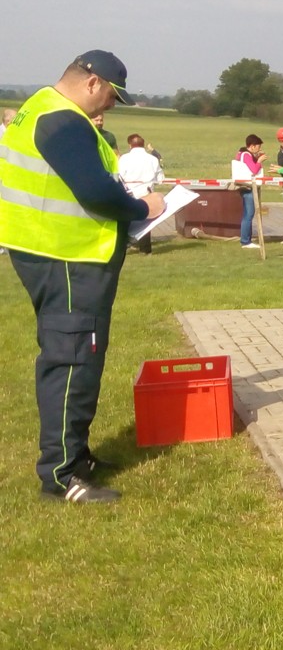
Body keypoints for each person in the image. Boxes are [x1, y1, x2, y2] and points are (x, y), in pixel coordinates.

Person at [0, 50, 165, 503]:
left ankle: (76, 455)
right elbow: (93, 191)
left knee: (75, 356)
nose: (111, 105)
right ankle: (61, 475)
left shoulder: (38, 107)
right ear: (93, 83)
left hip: (47, 251)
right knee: (73, 360)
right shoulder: (65, 121)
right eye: (112, 95)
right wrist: (142, 207)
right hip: (68, 256)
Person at [117, 133, 163, 255]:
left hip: (129, 192)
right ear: (143, 144)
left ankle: (123, 246)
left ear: (130, 145)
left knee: (126, 219)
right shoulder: (153, 159)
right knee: (145, 220)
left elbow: (119, 176)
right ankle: (145, 249)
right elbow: (160, 179)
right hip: (147, 192)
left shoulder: (124, 158)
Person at [234, 134, 265, 248]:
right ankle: (246, 241)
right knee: (249, 214)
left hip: (244, 186)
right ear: (252, 146)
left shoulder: (241, 154)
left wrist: (256, 157)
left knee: (247, 214)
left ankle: (247, 239)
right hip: (248, 187)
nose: (259, 149)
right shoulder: (246, 155)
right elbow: (254, 170)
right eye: (258, 147)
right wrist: (259, 161)